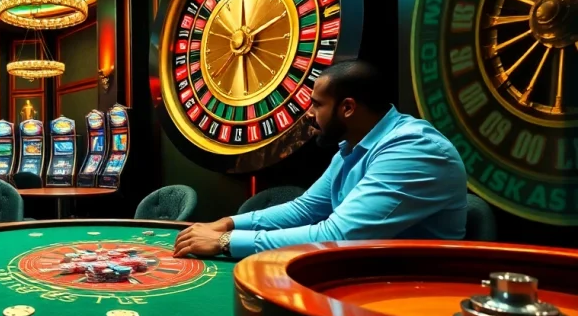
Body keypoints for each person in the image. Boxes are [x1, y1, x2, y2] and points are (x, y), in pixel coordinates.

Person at [173, 60, 468, 260]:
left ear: (348, 108)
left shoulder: (413, 150)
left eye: (316, 104)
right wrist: (227, 224)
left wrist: (226, 243)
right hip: (368, 272)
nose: (309, 114)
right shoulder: (354, 145)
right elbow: (306, 209)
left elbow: (338, 234)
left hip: (413, 292)